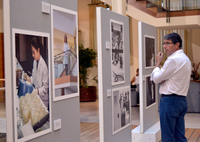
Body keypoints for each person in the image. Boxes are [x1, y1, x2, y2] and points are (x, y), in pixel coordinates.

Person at [151, 33, 191, 142]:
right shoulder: (185, 58)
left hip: (170, 101)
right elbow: (166, 78)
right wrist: (162, 78)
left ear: (177, 44)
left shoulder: (173, 59)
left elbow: (156, 79)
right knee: (180, 137)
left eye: (168, 43)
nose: (164, 46)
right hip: (181, 101)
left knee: (168, 137)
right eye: (164, 43)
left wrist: (157, 64)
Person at [24, 37, 49, 108]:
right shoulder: (34, 62)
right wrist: (29, 79)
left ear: (38, 50)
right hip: (37, 98)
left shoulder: (44, 66)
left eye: (34, 52)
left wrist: (37, 91)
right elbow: (34, 78)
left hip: (43, 101)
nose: (32, 55)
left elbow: (45, 88)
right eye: (32, 52)